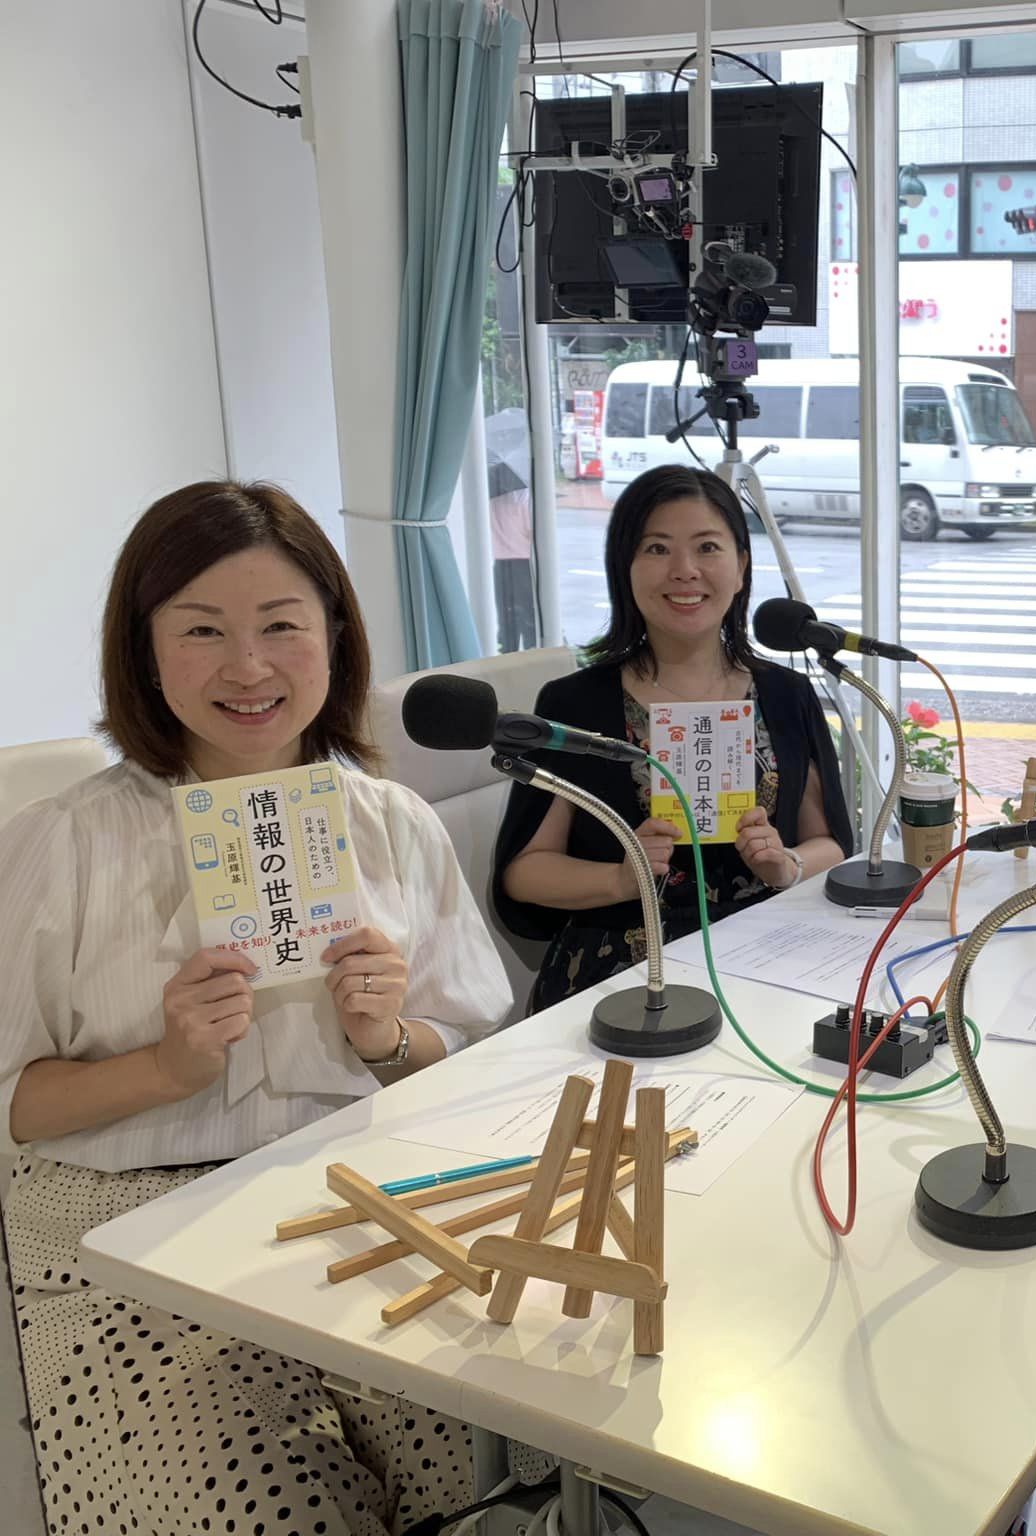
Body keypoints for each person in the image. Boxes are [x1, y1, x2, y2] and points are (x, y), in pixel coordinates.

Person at [0, 481, 512, 1536]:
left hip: (359, 1198)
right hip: (124, 1229)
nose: (248, 667)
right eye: (201, 631)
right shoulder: (60, 843)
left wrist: (389, 1040)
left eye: (282, 625)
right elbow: (14, 1103)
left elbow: (465, 1041)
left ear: (334, 635)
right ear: (144, 652)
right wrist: (163, 1070)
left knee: (496, 1460)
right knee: (279, 1506)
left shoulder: (392, 823)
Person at [494, 464, 854, 1015]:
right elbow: (524, 872)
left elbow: (827, 842)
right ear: (626, 567)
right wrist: (622, 878)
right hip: (621, 969)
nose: (685, 571)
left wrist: (787, 865)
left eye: (707, 547)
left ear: (741, 567)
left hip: (763, 953)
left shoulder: (786, 694)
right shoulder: (575, 703)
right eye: (657, 549)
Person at [489, 453, 539, 652]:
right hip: (525, 565)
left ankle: (507, 654)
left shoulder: (491, 503)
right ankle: (531, 654)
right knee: (530, 616)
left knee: (506, 616)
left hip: (500, 565)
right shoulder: (525, 499)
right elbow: (534, 535)